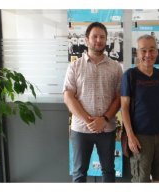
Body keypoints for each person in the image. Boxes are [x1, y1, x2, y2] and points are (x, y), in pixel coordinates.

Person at [63, 22, 123, 183]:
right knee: (79, 173)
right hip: (81, 130)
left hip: (107, 128)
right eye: (94, 36)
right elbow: (68, 96)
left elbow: (119, 98)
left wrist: (103, 120)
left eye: (102, 37)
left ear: (106, 40)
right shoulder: (74, 66)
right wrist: (89, 121)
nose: (99, 40)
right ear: (86, 40)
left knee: (109, 171)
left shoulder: (116, 67)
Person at [121, 34, 159, 182]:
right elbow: (124, 107)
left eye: (152, 50)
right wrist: (130, 136)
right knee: (141, 180)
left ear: (157, 52)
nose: (148, 54)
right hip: (140, 137)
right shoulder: (130, 76)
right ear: (137, 53)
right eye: (143, 50)